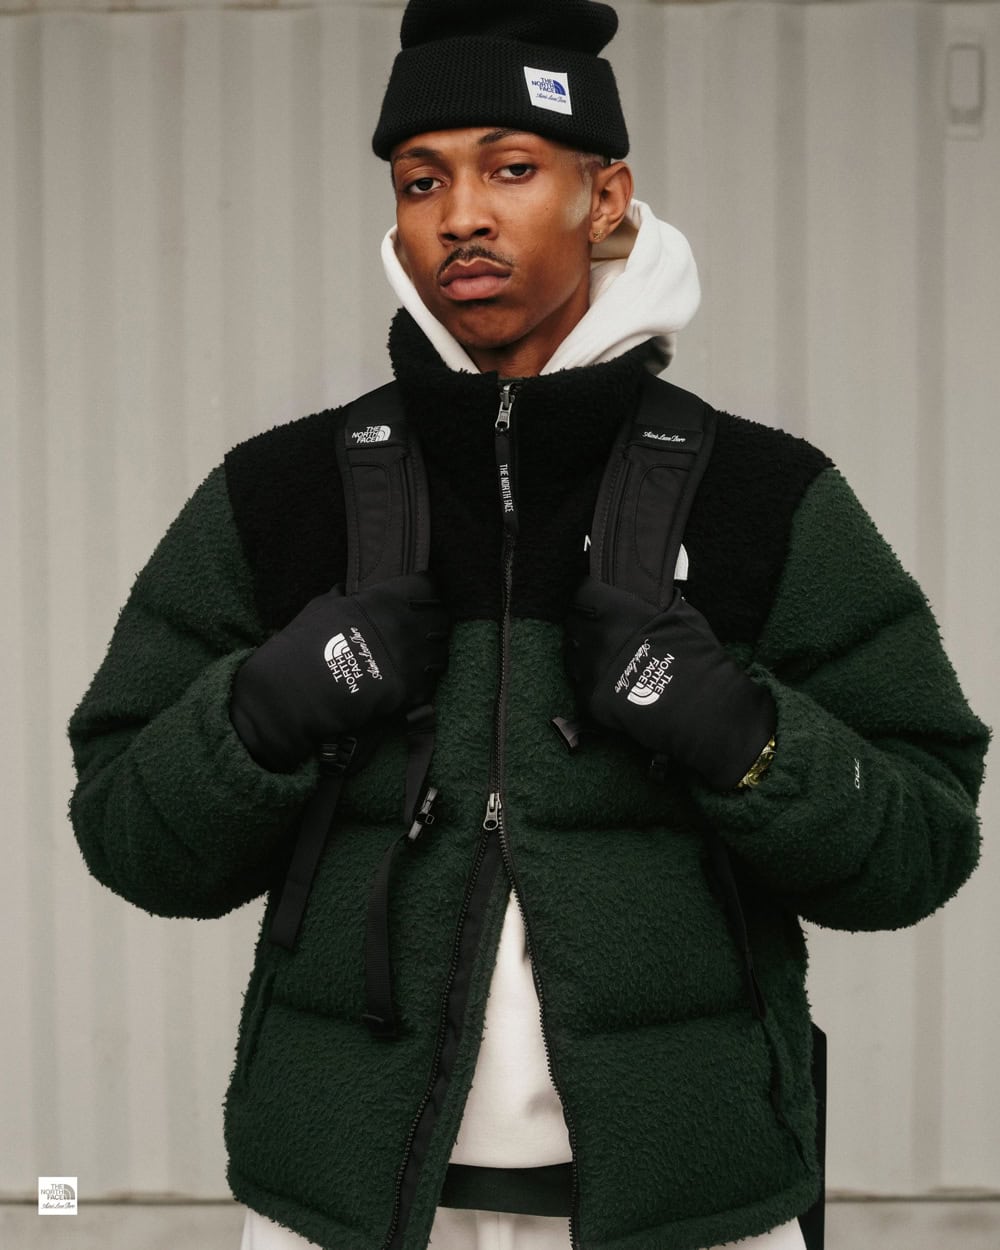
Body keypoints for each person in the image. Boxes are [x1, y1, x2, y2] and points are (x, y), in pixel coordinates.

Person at [68, 1, 989, 1248]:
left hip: (694, 1215)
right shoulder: (283, 492)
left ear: (604, 198)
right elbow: (129, 836)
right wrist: (263, 708)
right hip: (342, 1214)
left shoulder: (762, 496)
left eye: (509, 168)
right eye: (421, 180)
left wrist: (742, 736)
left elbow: (920, 843)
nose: (459, 215)